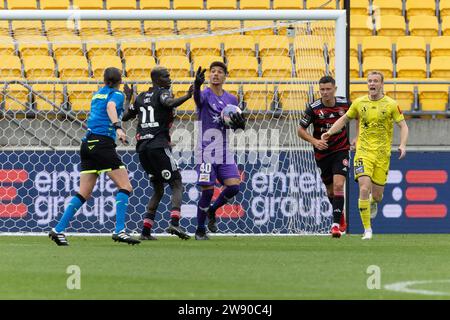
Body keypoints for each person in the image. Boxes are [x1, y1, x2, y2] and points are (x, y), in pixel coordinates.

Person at [49, 67, 140, 246]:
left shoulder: (98, 94)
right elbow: (112, 107)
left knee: (84, 192)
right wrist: (118, 128)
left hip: (87, 144)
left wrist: (127, 98)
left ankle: (57, 230)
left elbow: (115, 110)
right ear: (120, 80)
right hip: (102, 143)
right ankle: (119, 231)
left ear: (104, 80)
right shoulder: (116, 96)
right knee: (126, 186)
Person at [321, 71, 409, 240]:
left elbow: (403, 126)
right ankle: (367, 230)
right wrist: (330, 132)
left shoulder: (391, 104)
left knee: (377, 195)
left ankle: (372, 202)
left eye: (375, 81)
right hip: (363, 152)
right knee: (363, 188)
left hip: (382, 155)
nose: (372, 84)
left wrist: (403, 144)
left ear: (382, 84)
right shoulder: (359, 103)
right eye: (369, 81)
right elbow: (345, 119)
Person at [122, 66, 192, 240]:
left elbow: (124, 116)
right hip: (158, 146)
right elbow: (169, 103)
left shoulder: (139, 98)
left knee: (158, 189)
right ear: (157, 79)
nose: (169, 79)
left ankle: (145, 231)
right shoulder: (162, 93)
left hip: (143, 149)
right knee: (176, 182)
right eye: (166, 76)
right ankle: (174, 223)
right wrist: (188, 96)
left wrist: (128, 98)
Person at [193, 62, 246, 240]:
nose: (215, 74)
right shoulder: (204, 94)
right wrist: (196, 86)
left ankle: (212, 211)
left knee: (234, 187)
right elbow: (197, 101)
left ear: (225, 76)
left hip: (224, 150)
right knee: (207, 191)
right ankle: (200, 230)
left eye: (219, 72)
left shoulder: (232, 99)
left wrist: (241, 125)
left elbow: (235, 123)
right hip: (206, 150)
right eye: (213, 72)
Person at [298, 76, 350, 238]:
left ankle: (335, 225)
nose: (325, 92)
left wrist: (358, 137)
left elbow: (360, 117)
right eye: (322, 90)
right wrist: (315, 142)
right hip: (322, 153)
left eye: (328, 89)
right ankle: (339, 216)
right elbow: (300, 130)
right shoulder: (313, 108)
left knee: (339, 185)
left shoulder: (345, 104)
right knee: (330, 190)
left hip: (341, 149)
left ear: (335, 89)